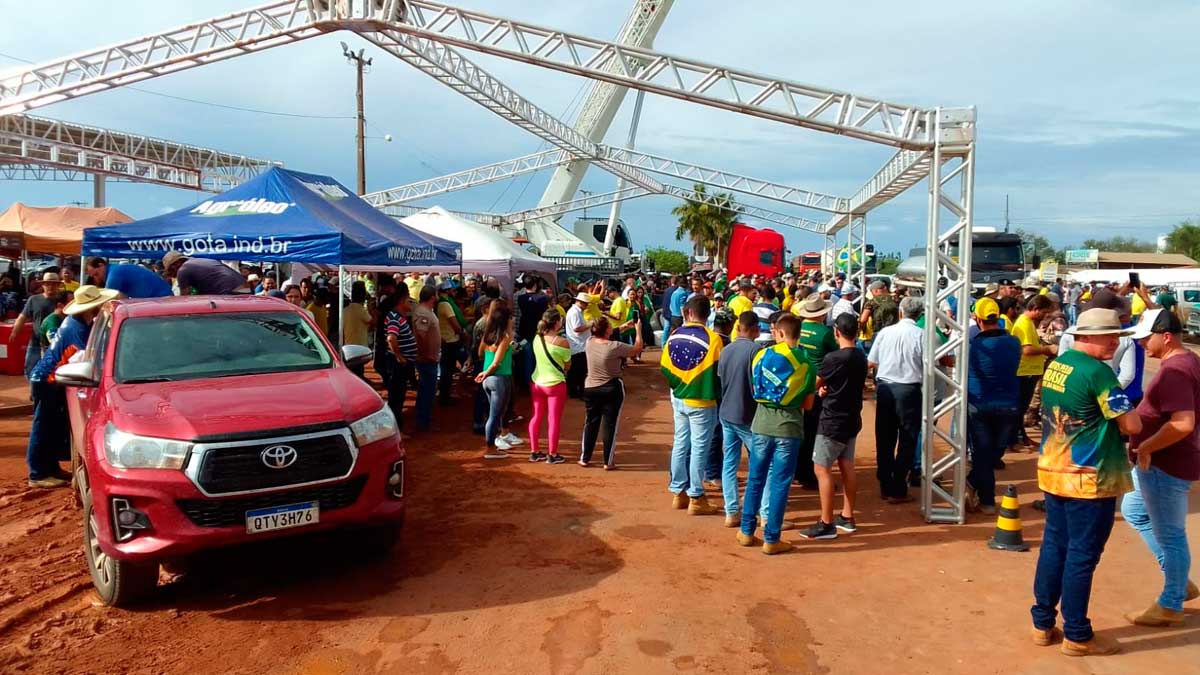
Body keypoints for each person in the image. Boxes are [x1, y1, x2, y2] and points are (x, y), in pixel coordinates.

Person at [1031, 307, 1141, 657]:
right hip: (1089, 478)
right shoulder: (1099, 373)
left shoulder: (1059, 365)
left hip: (1053, 470)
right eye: (1111, 337)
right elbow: (1131, 425)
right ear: (1088, 336)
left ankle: (1042, 621)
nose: (1116, 343)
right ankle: (1077, 634)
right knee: (1082, 555)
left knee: (1054, 546)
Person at [1120, 308, 1200, 627]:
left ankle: (1171, 602)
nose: (1141, 344)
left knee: (1170, 534)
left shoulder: (1175, 371)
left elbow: (1182, 423)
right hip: (1163, 461)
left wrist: (1146, 446)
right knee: (1133, 509)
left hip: (1165, 463)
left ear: (1165, 337)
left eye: (1145, 338)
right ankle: (1179, 581)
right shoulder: (1185, 360)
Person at [736, 314, 817, 554]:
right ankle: (772, 538)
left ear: (779, 333)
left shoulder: (761, 355)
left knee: (755, 479)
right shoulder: (806, 364)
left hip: (761, 424)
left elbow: (755, 388)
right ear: (798, 334)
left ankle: (746, 531)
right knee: (780, 483)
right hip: (789, 428)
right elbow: (809, 405)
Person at [26, 285, 120, 488]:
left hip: (50, 379)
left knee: (50, 426)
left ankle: (49, 468)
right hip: (47, 380)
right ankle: (38, 473)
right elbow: (84, 357)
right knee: (43, 426)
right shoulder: (76, 328)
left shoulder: (76, 323)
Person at [801, 312, 867, 540]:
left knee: (821, 469)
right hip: (851, 418)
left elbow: (815, 383)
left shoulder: (834, 359)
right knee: (846, 464)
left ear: (836, 332)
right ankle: (847, 517)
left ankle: (826, 522)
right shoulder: (860, 357)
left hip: (832, 420)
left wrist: (819, 390)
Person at [662, 295, 723, 515]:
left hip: (678, 396)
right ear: (707, 314)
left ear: (688, 313)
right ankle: (696, 496)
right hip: (702, 400)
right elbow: (719, 374)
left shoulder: (674, 335)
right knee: (699, 448)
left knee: (680, 443)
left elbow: (665, 366)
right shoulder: (714, 339)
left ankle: (679, 492)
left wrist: (680, 384)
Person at [965, 297, 1022, 515]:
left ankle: (985, 497)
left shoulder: (973, 346)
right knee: (993, 453)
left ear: (978, 319)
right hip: (1009, 406)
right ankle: (978, 488)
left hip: (979, 406)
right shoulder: (1014, 342)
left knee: (983, 454)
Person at [868, 296, 926, 503]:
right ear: (919, 315)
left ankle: (885, 484)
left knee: (884, 438)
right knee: (908, 439)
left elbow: (872, 361)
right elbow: (930, 363)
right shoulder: (921, 334)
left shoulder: (885, 332)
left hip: (885, 388)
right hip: (909, 390)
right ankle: (898, 486)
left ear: (900, 312)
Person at [718, 311, 763, 527]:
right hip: (748, 415)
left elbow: (721, 379)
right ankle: (762, 512)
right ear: (755, 329)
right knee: (761, 463)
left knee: (729, 463)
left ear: (738, 328)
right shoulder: (757, 351)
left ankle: (731, 510)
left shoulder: (726, 350)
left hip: (727, 412)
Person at [580, 315, 643, 469]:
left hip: (591, 388)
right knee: (610, 425)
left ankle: (585, 458)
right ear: (607, 330)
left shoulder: (589, 342)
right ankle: (608, 461)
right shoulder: (615, 346)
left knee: (590, 422)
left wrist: (624, 327)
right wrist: (638, 331)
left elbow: (606, 334)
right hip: (611, 388)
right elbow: (637, 349)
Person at [796, 295, 839, 490]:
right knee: (815, 431)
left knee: (802, 428)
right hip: (820, 383)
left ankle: (799, 469)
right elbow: (835, 354)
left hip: (800, 381)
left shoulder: (800, 328)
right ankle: (810, 474)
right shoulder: (825, 333)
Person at [475, 305, 522, 459]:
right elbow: (496, 363)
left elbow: (480, 352)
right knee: (495, 415)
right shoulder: (504, 337)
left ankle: (494, 443)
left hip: (490, 380)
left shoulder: (487, 335)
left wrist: (484, 373)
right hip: (498, 378)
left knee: (494, 413)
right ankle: (490, 449)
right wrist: (485, 373)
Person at [1012, 295, 1057, 447]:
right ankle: (1017, 437)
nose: (1046, 316)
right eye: (1044, 312)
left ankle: (1020, 436)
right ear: (1035, 309)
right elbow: (1027, 349)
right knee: (1021, 407)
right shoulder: (1024, 323)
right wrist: (1048, 349)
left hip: (1028, 371)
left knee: (1022, 407)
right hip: (1025, 372)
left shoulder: (1028, 323)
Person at [529, 308, 571, 465]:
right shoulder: (563, 342)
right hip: (555, 385)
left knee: (536, 416)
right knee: (553, 420)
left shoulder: (536, 338)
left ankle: (534, 451)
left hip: (537, 382)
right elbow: (568, 365)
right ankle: (552, 454)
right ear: (556, 323)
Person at [12, 272, 63, 378]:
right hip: (36, 342)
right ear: (43, 285)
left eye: (54, 284)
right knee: (30, 371)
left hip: (55, 344)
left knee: (53, 374)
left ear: (58, 285)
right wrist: (14, 332)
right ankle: (34, 392)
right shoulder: (34, 299)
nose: (51, 286)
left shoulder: (62, 301)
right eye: (48, 284)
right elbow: (22, 317)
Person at [384, 284, 418, 431]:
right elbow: (391, 338)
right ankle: (396, 428)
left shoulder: (399, 317)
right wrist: (399, 357)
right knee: (396, 398)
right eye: (408, 301)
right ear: (402, 302)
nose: (410, 303)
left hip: (401, 364)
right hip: (397, 365)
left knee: (399, 395)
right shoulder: (394, 317)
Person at [410, 285, 441, 432]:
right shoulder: (423, 312)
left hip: (429, 358)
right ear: (432, 297)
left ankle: (423, 418)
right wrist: (426, 354)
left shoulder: (427, 311)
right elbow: (421, 336)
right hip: (427, 359)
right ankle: (424, 421)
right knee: (428, 390)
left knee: (426, 389)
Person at [437, 281, 468, 405]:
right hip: (450, 340)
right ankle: (445, 397)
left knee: (447, 370)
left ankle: (445, 394)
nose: (454, 292)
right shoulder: (446, 304)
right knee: (447, 371)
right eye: (453, 290)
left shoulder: (442, 303)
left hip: (446, 339)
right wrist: (462, 333)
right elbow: (454, 323)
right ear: (448, 291)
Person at [163, 252, 246, 295]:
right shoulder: (199, 261)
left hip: (228, 291)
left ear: (175, 264)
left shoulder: (183, 270)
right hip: (244, 286)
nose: (173, 275)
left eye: (170, 270)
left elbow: (185, 299)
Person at [85, 257, 171, 299]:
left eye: (97, 274)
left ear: (101, 265)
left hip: (161, 299)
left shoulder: (114, 274)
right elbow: (123, 299)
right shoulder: (116, 269)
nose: (97, 279)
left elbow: (107, 300)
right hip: (161, 297)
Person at [564, 292, 592, 398]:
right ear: (580, 302)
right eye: (585, 303)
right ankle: (578, 392)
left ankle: (574, 391)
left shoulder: (576, 311)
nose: (587, 306)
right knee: (580, 371)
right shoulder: (575, 312)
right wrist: (590, 324)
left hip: (579, 345)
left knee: (576, 370)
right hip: (578, 346)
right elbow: (577, 328)